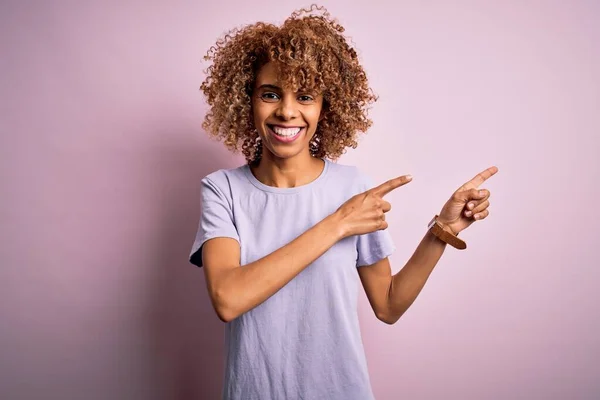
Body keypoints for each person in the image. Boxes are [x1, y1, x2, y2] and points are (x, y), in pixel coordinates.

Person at [189, 5, 498, 400]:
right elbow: (228, 299)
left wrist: (443, 231)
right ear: (247, 101)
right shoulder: (223, 191)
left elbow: (388, 305)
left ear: (325, 107)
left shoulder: (352, 188)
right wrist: (336, 224)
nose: (287, 110)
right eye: (270, 94)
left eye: (305, 96)